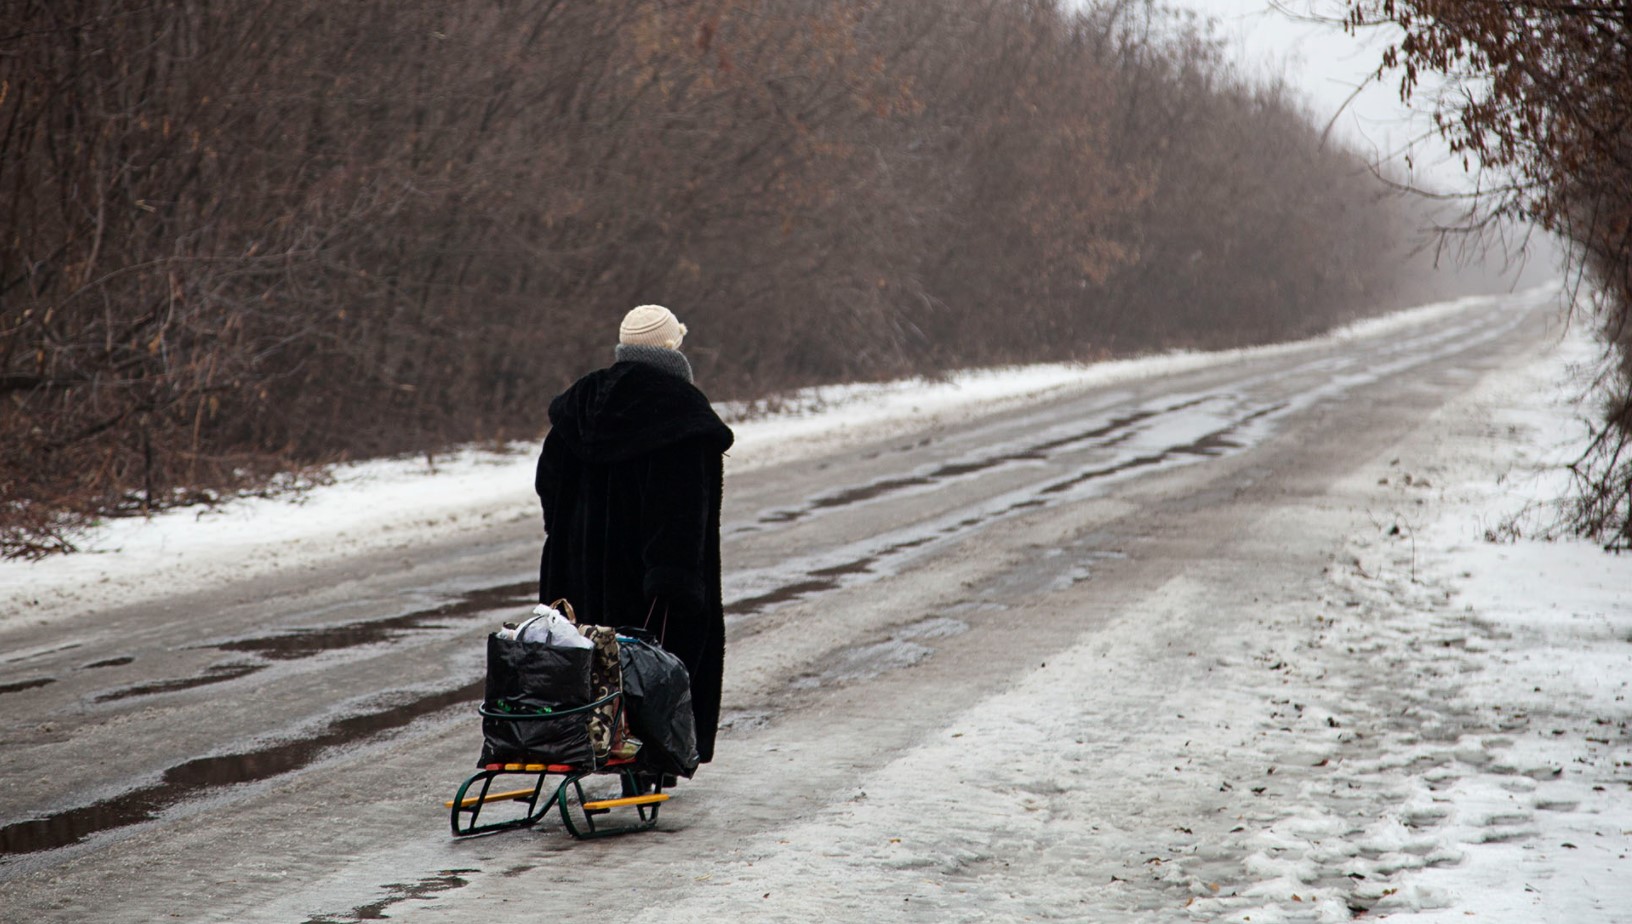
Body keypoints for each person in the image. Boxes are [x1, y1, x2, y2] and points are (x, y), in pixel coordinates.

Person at [535, 304, 734, 768]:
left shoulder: (580, 403)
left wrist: (567, 538)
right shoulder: (682, 412)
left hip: (573, 573)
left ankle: (581, 746)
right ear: (671, 346)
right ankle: (653, 756)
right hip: (649, 583)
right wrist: (676, 584)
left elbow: (549, 485)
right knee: (650, 673)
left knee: (582, 664)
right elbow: (682, 510)